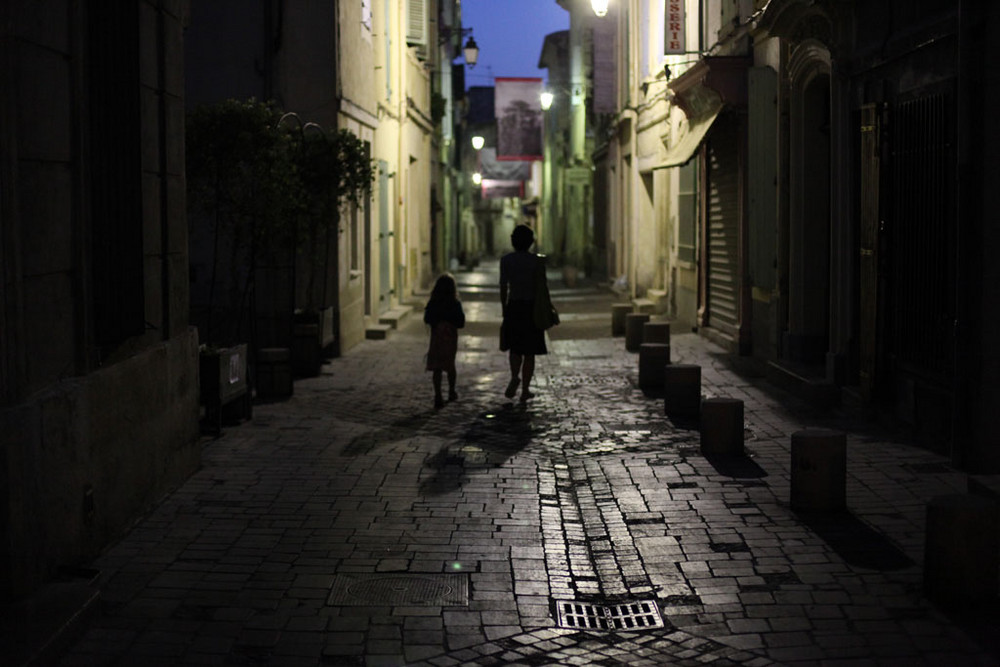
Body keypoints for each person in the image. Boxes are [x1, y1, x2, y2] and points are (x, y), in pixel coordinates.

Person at [500, 224, 547, 403]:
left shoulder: (506, 261)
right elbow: (542, 288)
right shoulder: (536, 261)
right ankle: (525, 389)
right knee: (530, 351)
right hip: (531, 307)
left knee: (515, 347)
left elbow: (504, 286)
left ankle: (514, 376)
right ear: (530, 242)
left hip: (514, 306)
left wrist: (504, 308)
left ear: (513, 242)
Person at [424, 273, 465, 409]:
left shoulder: (433, 303)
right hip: (450, 339)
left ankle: (438, 395)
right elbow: (461, 322)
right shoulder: (455, 304)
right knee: (450, 365)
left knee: (437, 367)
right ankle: (451, 391)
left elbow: (427, 318)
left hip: (436, 339)